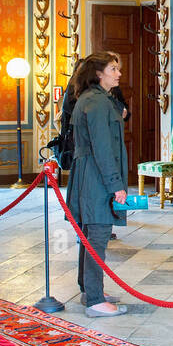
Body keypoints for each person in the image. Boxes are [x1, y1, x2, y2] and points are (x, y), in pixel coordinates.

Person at [67, 50, 129, 318]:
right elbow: (103, 148)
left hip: (90, 174)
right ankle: (94, 300)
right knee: (98, 237)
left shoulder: (95, 99)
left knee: (89, 236)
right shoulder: (98, 102)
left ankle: (89, 290)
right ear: (98, 73)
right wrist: (117, 185)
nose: (118, 73)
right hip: (96, 178)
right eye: (113, 69)